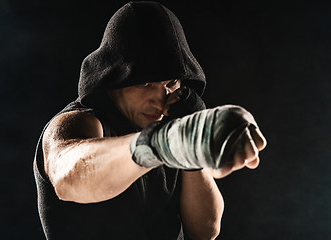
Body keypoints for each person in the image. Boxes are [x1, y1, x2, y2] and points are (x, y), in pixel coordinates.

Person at [33, 2, 267, 240]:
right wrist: (161, 144)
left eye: (170, 83)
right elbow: (68, 178)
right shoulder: (83, 121)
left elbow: (205, 230)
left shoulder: (170, 128)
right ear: (114, 79)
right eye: (146, 84)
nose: (160, 99)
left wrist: (189, 148)